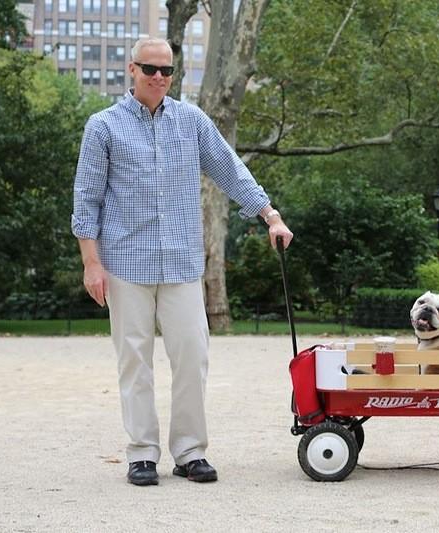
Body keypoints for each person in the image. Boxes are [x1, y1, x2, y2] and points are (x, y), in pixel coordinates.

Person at [71, 38, 293, 487]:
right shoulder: (103, 127)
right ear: (131, 70)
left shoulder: (192, 122)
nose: (158, 77)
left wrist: (271, 215)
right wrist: (90, 263)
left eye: (167, 71)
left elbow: (231, 170)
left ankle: (191, 452)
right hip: (125, 263)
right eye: (149, 69)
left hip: (181, 262)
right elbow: (86, 197)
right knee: (134, 361)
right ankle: (142, 454)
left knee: (192, 357)